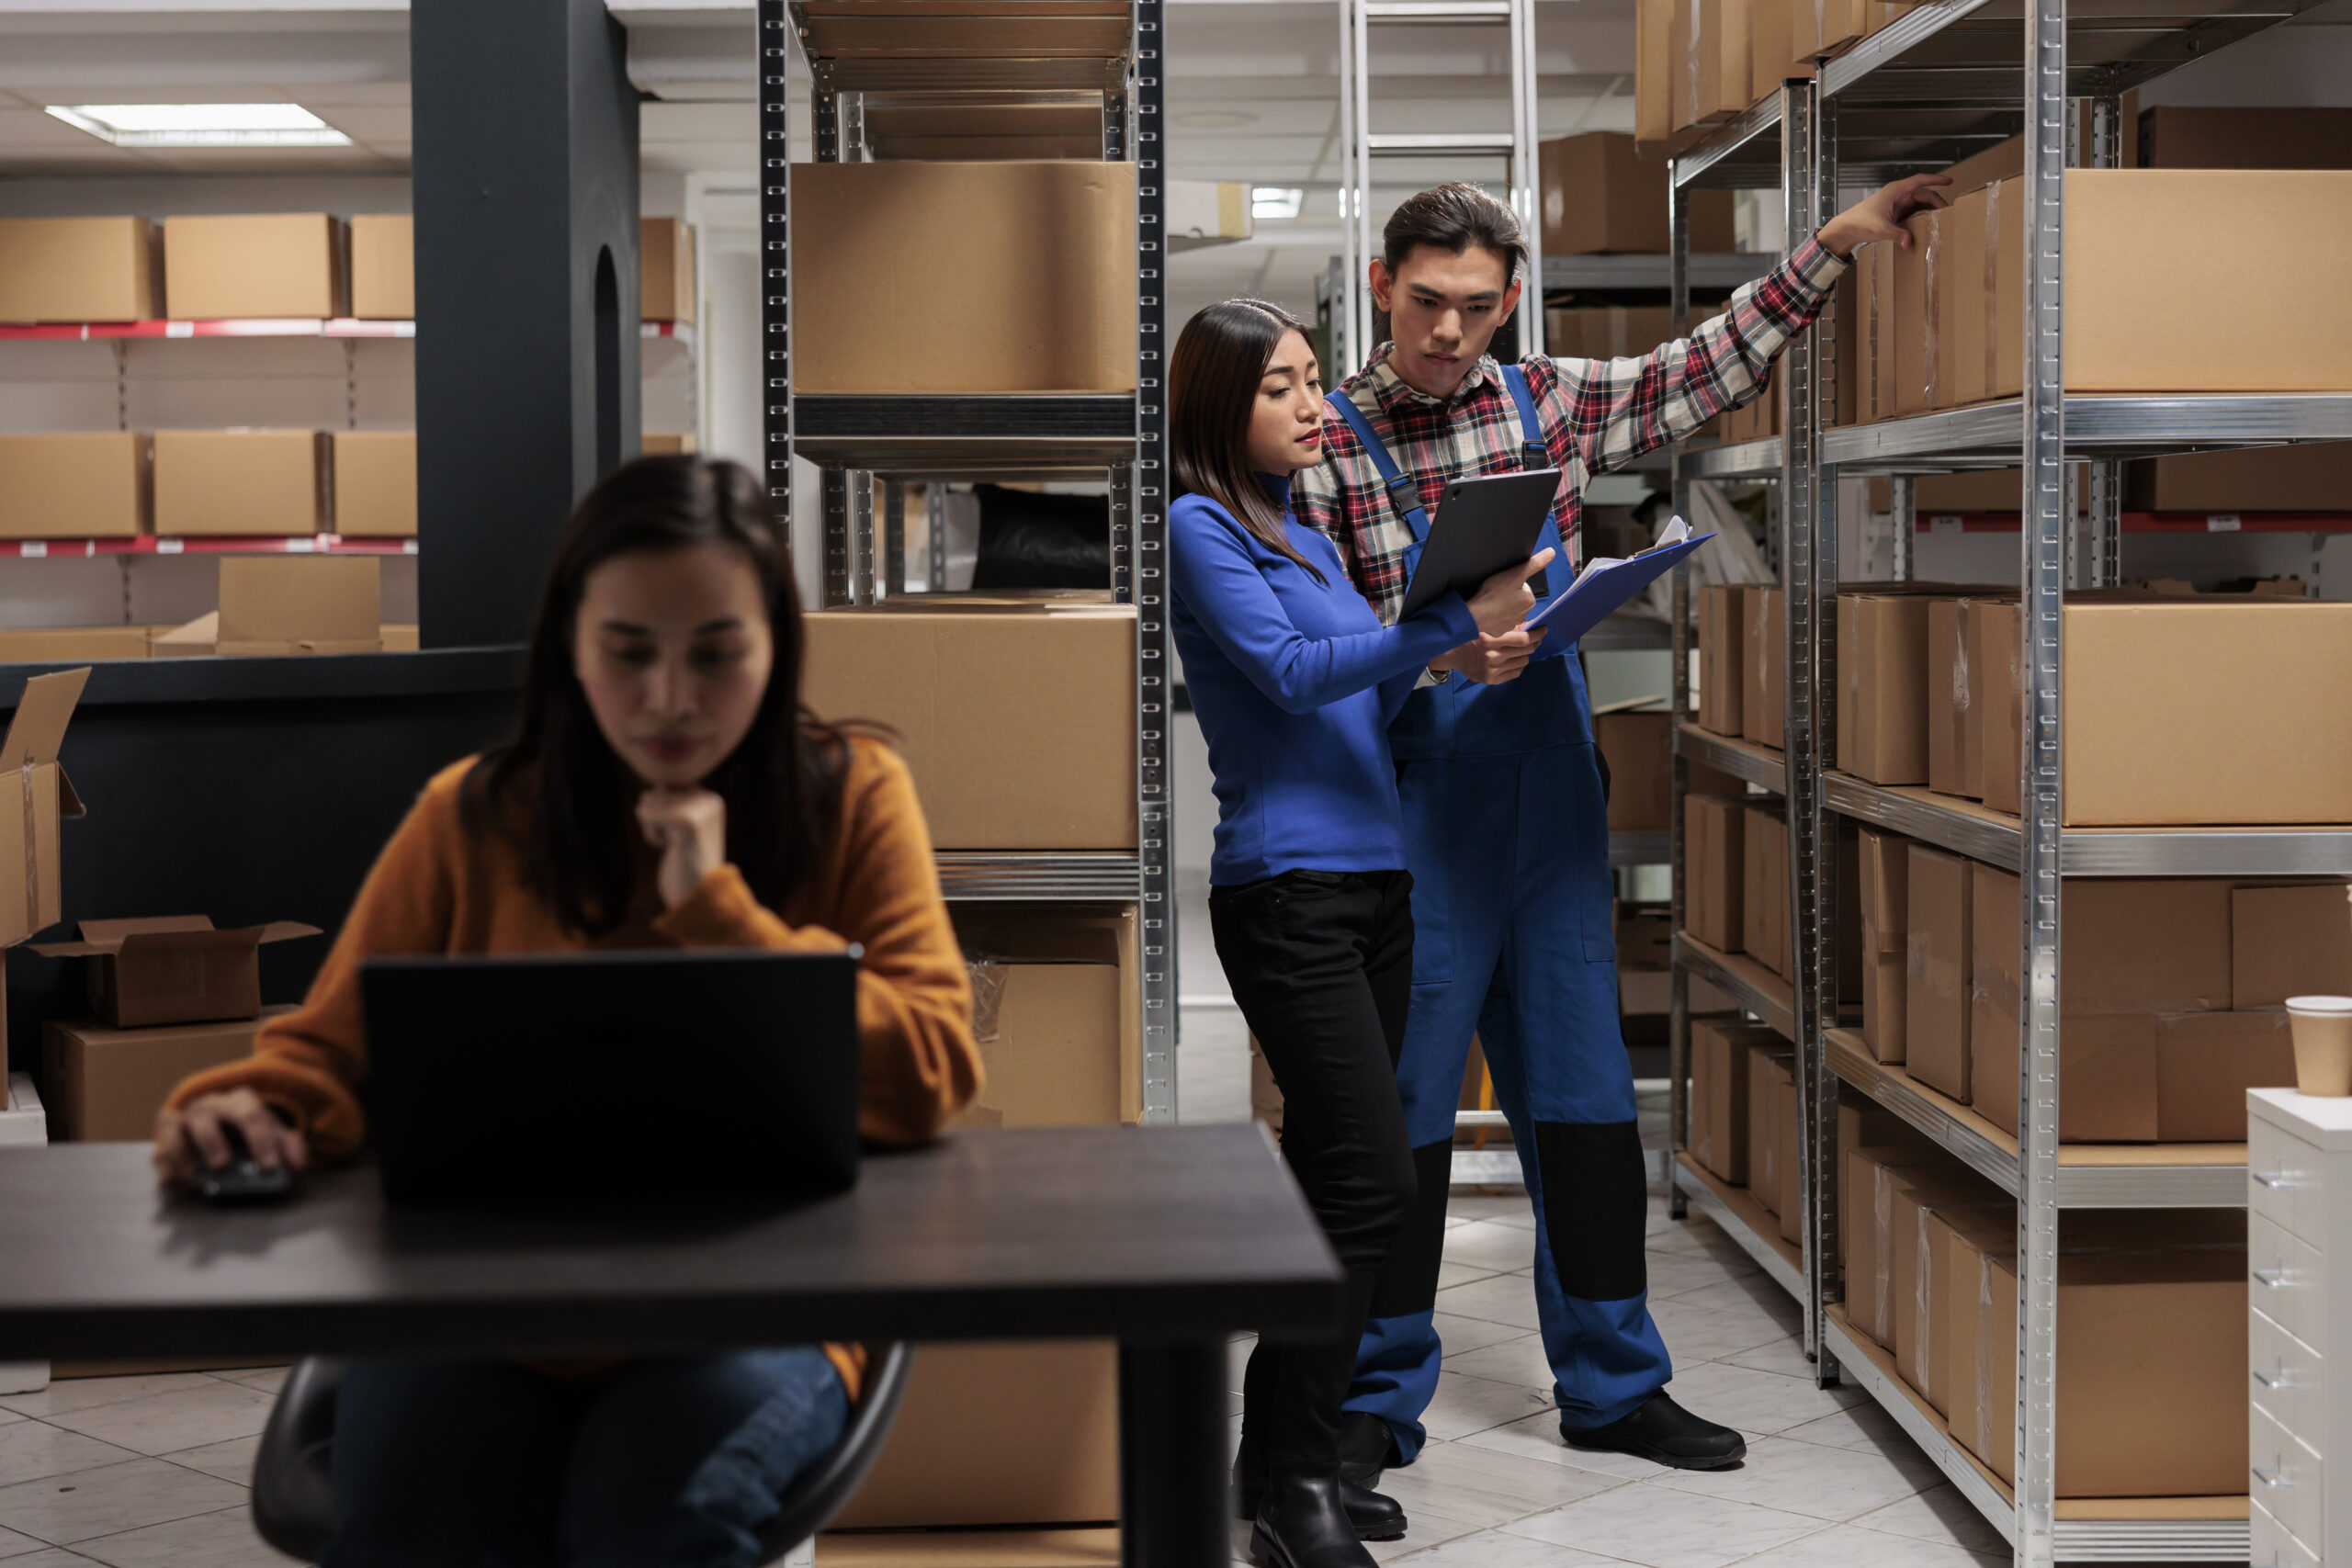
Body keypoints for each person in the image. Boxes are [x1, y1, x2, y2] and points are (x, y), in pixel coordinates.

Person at [153, 455, 983, 1568]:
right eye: (627, 653)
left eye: (717, 653)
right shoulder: (475, 816)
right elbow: (324, 1056)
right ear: (571, 646)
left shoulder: (852, 794)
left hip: (755, 1307)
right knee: (420, 1523)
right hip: (482, 1308)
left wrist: (715, 911)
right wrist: (248, 1106)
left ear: (777, 643)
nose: (670, 699)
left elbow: (932, 1067)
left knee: (649, 1520)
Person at [1295, 175, 1949, 1476]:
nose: (1449, 332)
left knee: (1589, 1108)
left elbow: (1704, 368)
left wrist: (1827, 247)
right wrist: (1433, 656)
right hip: (1413, 814)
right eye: (1427, 303)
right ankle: (1376, 1393)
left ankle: (1611, 1379)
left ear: (1510, 300)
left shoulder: (1551, 399)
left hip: (1549, 816)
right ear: (1382, 287)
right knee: (1408, 1117)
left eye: (1477, 307)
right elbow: (1317, 649)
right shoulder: (1328, 440)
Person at [1168, 298, 1550, 1568]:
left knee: (1344, 1181)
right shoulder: (1204, 527)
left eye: (1317, 381)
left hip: (1376, 884)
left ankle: (1277, 1456)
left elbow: (1361, 685)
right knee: (1374, 1180)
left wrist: (1453, 659)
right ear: (1224, 403)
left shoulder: (1311, 532)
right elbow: (1284, 674)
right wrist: (1445, 626)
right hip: (1288, 892)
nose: (1314, 403)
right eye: (1284, 386)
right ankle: (1300, 1483)